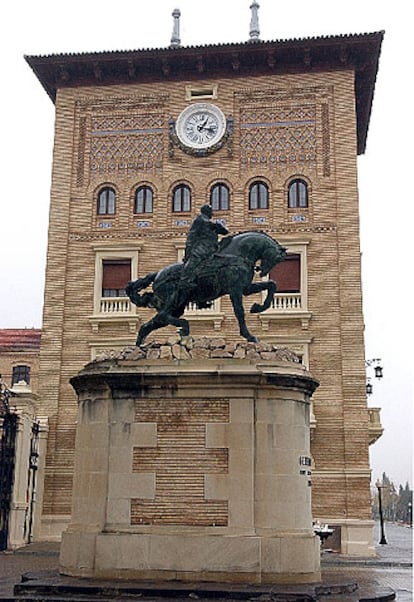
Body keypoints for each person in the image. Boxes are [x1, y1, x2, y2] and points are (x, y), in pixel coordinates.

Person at [180, 204, 229, 292]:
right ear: (206, 211)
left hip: (213, 249)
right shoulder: (199, 220)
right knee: (193, 262)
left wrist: (218, 226)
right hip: (201, 249)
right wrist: (189, 249)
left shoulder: (211, 223)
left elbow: (225, 232)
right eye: (211, 212)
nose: (212, 214)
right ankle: (184, 281)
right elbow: (191, 235)